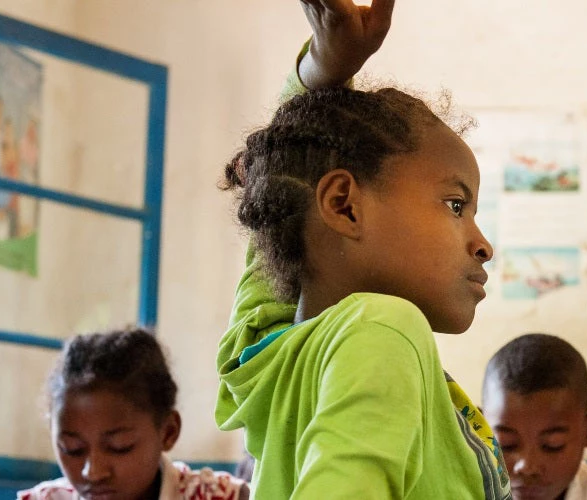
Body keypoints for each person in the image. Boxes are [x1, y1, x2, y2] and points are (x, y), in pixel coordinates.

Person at [214, 0, 509, 497]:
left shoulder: (265, 357)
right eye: (456, 205)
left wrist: (321, 72)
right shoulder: (383, 328)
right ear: (346, 206)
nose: (483, 246)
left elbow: (291, 206)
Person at [17, 329, 248, 500]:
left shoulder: (224, 497)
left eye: (120, 446)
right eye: (72, 448)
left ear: (168, 432)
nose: (93, 472)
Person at [481, 333, 587, 500]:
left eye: (553, 445)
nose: (527, 467)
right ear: (476, 430)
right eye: (505, 444)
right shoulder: (466, 490)